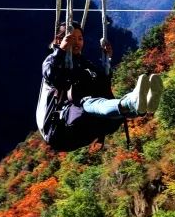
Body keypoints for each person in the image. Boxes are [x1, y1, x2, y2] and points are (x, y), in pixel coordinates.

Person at [36, 21, 163, 150]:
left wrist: (107, 60)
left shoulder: (83, 63)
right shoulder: (52, 60)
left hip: (85, 126)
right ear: (59, 40)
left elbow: (102, 83)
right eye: (72, 38)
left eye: (80, 38)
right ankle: (132, 101)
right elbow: (51, 74)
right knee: (87, 103)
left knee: (102, 102)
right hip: (59, 131)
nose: (77, 42)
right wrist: (61, 51)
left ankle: (143, 104)